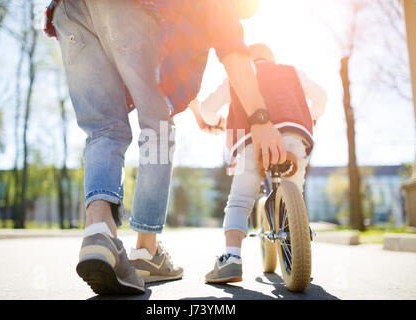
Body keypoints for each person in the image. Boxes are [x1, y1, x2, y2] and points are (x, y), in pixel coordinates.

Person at [44, 0, 283, 295]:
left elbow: (167, 71)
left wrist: (196, 111)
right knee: (157, 131)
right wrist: (260, 119)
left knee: (103, 127)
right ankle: (146, 251)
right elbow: (234, 54)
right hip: (128, 8)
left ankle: (98, 229)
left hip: (70, 10)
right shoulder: (219, 6)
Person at [188, 43, 327, 284]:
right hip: (294, 140)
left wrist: (217, 120)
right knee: (295, 191)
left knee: (240, 200)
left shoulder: (239, 74)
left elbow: (207, 108)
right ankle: (295, 245)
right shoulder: (291, 71)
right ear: (272, 58)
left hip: (250, 142)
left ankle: (231, 258)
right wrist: (313, 116)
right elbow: (321, 96)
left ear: (245, 58)